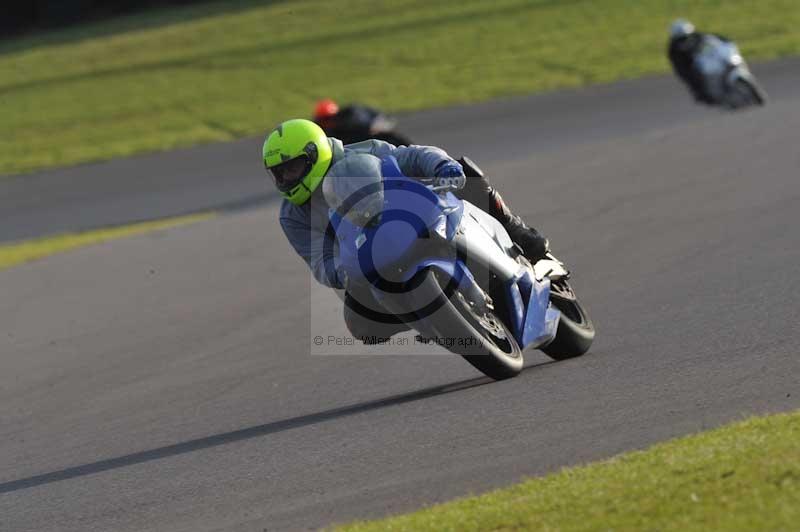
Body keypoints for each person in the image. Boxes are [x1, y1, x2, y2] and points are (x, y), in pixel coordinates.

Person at [263, 118, 548, 341]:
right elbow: (317, 258)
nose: (286, 178)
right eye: (279, 173)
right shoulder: (292, 216)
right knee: (360, 324)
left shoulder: (366, 151)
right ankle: (433, 319)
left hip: (415, 214)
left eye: (293, 168)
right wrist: (339, 272)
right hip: (369, 257)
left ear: (316, 154)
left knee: (465, 170)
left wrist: (442, 165)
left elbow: (412, 156)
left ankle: (515, 229)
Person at [668, 19, 731, 104]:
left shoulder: (698, 36)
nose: (686, 40)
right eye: (682, 38)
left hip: (706, 57)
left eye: (687, 36)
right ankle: (705, 95)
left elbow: (713, 39)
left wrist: (725, 42)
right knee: (692, 77)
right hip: (691, 64)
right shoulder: (674, 49)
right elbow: (680, 67)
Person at [312, 99, 382, 145]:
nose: (330, 121)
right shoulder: (322, 135)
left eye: (331, 118)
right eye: (326, 119)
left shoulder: (350, 116)